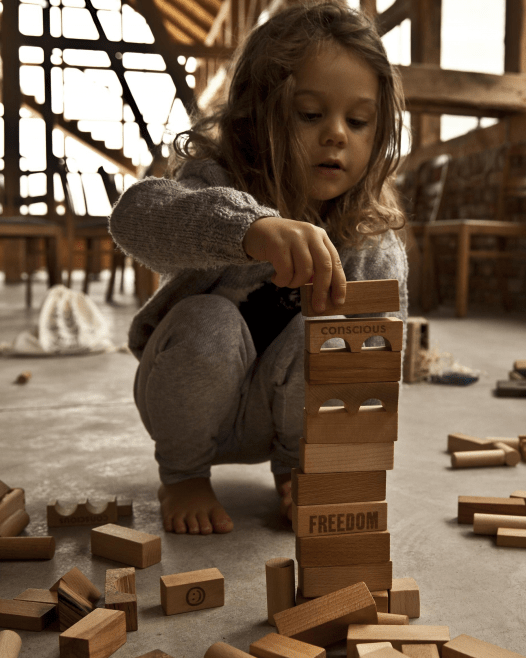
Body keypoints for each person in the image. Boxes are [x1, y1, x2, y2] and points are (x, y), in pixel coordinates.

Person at [109, 1, 409, 536]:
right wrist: (247, 230)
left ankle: (298, 468)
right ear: (255, 116)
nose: (337, 134)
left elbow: (377, 364)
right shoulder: (218, 182)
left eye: (358, 121)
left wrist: (344, 462)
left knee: (333, 337)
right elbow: (135, 217)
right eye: (311, 114)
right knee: (210, 321)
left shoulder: (370, 237)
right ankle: (182, 476)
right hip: (189, 401)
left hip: (287, 420)